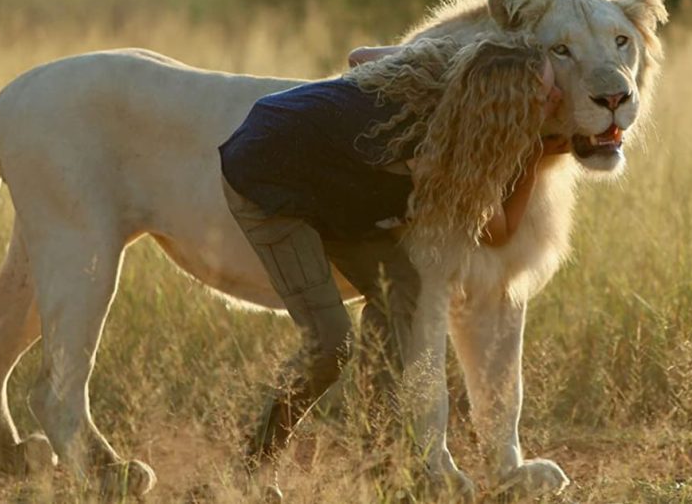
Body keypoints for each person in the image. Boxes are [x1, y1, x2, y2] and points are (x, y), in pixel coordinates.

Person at [217, 35, 569, 480]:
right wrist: (532, 158)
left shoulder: (452, 73)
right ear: (503, 105)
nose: (557, 98)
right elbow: (498, 231)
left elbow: (360, 57)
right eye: (545, 93)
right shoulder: (441, 151)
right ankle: (250, 469)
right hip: (267, 175)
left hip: (328, 182)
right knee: (331, 343)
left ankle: (383, 459)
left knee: (408, 288)